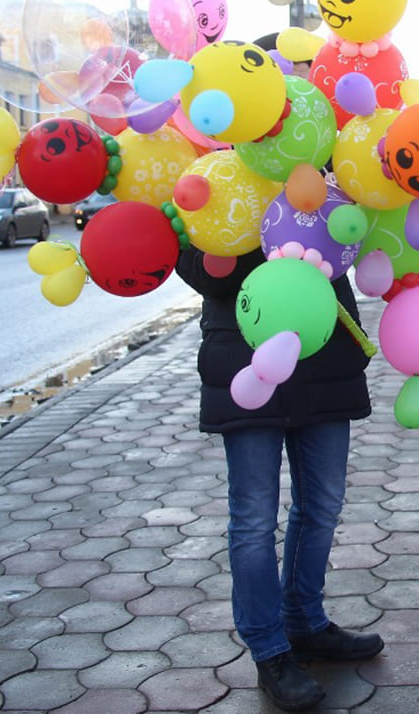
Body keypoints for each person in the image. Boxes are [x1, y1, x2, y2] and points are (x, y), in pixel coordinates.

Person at [175, 244, 382, 712]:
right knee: (253, 519)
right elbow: (197, 270)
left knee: (324, 505)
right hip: (245, 357)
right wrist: (227, 244)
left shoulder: (327, 168)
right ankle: (269, 649)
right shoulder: (217, 176)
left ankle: (305, 621)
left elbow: (355, 238)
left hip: (324, 350)